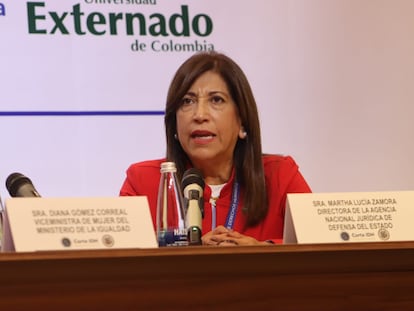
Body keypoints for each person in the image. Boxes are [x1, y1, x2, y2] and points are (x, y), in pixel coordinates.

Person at [120, 51, 311, 246]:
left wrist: (262, 250)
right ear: (174, 123)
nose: (199, 115)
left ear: (242, 122)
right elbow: (122, 255)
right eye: (187, 101)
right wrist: (189, 250)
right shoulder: (143, 182)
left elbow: (318, 243)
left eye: (216, 100)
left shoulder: (280, 175)